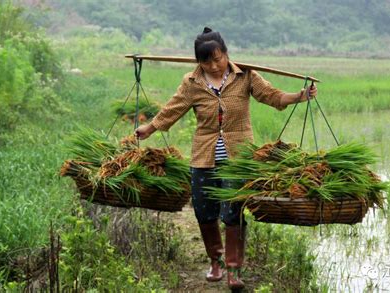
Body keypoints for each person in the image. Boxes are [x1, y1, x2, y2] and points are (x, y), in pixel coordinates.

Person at [135, 27, 317, 290]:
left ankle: (233, 268)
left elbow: (273, 96)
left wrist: (300, 96)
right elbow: (171, 110)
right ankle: (215, 262)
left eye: (218, 58)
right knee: (204, 211)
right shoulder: (192, 83)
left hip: (237, 158)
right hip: (203, 157)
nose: (214, 65)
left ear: (226, 53)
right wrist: (149, 128)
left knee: (233, 213)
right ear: (199, 62)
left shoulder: (245, 76)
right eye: (206, 61)